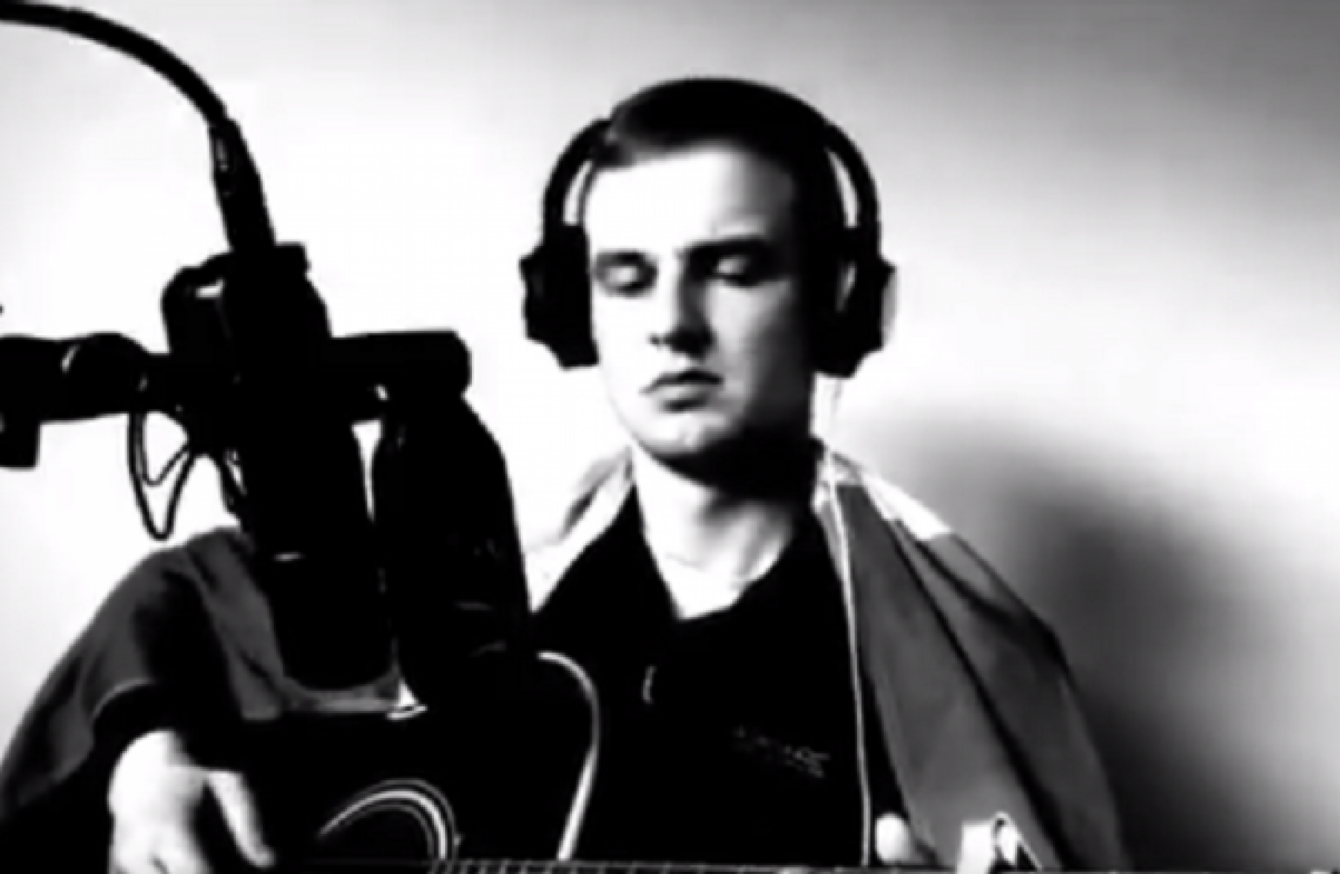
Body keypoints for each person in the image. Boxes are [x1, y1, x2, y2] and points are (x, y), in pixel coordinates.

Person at [0, 77, 1128, 874]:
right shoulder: (478, 560)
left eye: (733, 269)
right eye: (626, 276)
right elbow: (188, 597)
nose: (671, 322)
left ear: (840, 304)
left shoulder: (957, 673)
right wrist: (146, 760)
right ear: (568, 310)